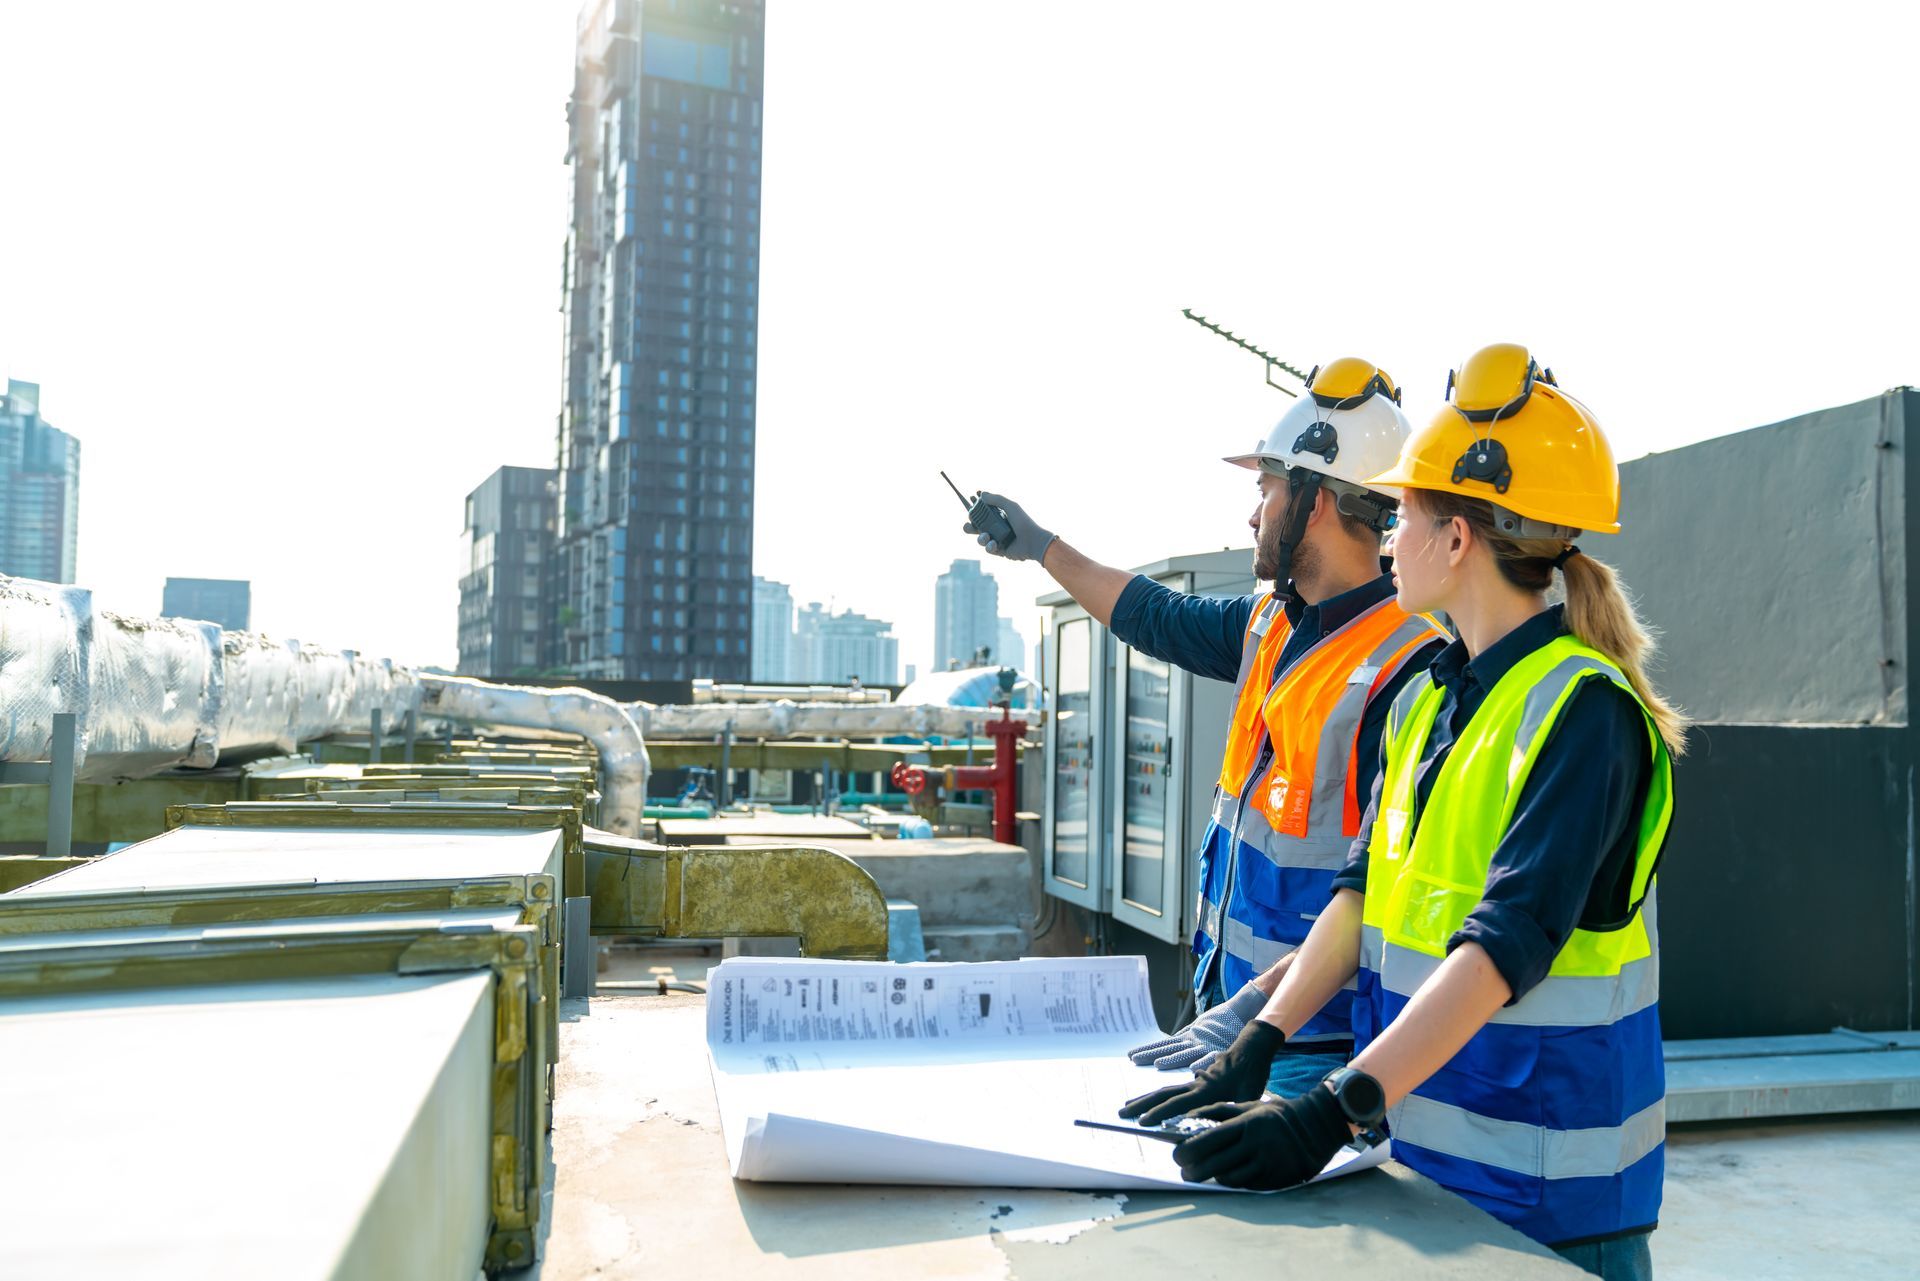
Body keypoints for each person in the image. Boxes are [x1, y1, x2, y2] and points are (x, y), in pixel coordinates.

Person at [1121, 344, 1683, 1281]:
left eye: (1406, 514)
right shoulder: (1428, 693)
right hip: (1421, 1164)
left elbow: (1504, 945)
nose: (1389, 538)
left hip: (1549, 1198)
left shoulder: (1587, 713)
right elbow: (1360, 893)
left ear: (1456, 539)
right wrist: (1262, 1035)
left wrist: (1332, 1107)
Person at [964, 358, 1448, 1097]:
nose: (1254, 515)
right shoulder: (1268, 625)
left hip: (1318, 1048)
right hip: (1225, 1019)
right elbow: (1149, 614)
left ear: (1314, 500)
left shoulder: (1411, 666)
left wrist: (1257, 1017)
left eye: (1267, 489)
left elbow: (1382, 891)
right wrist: (1041, 546)